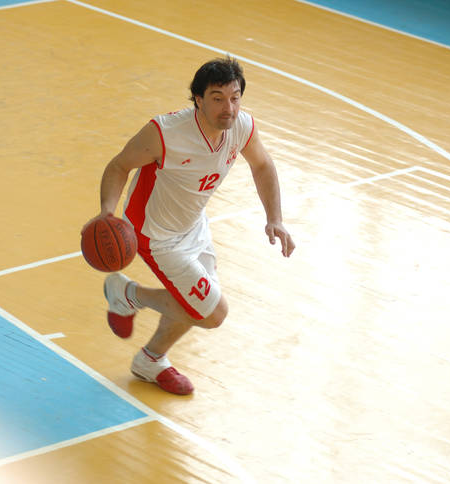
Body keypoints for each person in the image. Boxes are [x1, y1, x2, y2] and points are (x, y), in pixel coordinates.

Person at [83, 57, 295, 395]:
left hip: (194, 225)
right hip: (155, 234)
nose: (229, 108)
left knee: (197, 301)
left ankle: (151, 359)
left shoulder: (241, 127)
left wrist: (275, 218)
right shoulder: (165, 133)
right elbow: (119, 165)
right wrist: (107, 211)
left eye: (235, 98)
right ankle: (128, 294)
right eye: (217, 98)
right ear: (198, 99)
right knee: (212, 312)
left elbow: (263, 165)